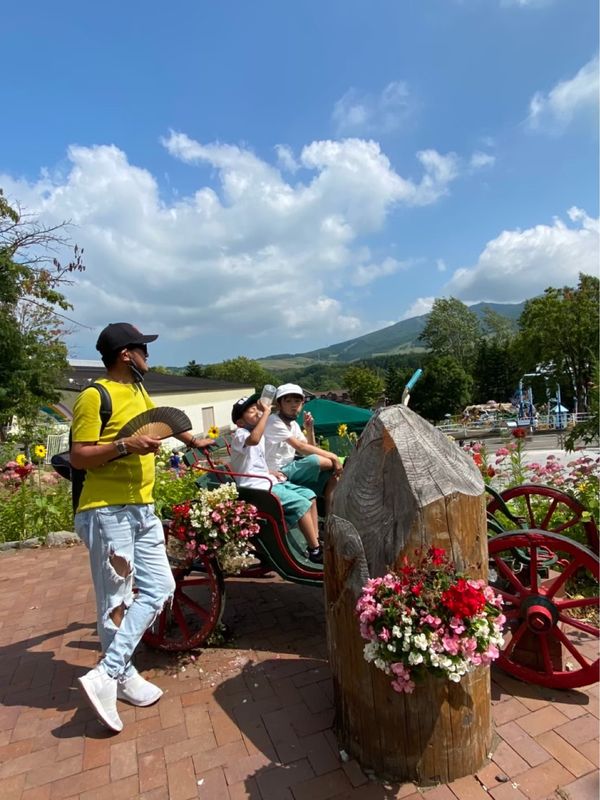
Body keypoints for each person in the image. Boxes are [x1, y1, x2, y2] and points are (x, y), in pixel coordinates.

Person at [72, 322, 214, 733]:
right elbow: (79, 457)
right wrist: (123, 445)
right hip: (106, 510)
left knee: (160, 588)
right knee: (115, 599)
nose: (148, 358)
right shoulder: (93, 396)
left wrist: (191, 441)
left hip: (142, 507)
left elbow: (161, 422)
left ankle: (108, 672)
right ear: (125, 354)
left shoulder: (137, 391)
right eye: (143, 350)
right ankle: (120, 675)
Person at [229, 393, 323, 563]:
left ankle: (313, 542)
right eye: (251, 412)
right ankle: (315, 550)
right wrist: (266, 412)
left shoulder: (258, 433)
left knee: (310, 495)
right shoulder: (240, 434)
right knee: (302, 504)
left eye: (256, 408)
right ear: (240, 422)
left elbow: (254, 461)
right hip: (256, 488)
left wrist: (268, 471)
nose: (257, 412)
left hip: (268, 481)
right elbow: (254, 440)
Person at [264, 384, 343, 512]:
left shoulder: (293, 425)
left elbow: (309, 449)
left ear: (302, 404)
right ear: (279, 404)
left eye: (297, 401)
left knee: (332, 476)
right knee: (319, 461)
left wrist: (309, 429)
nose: (293, 405)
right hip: (276, 472)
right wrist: (333, 457)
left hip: (289, 469)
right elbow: (300, 447)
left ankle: (330, 518)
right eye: (288, 401)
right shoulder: (274, 421)